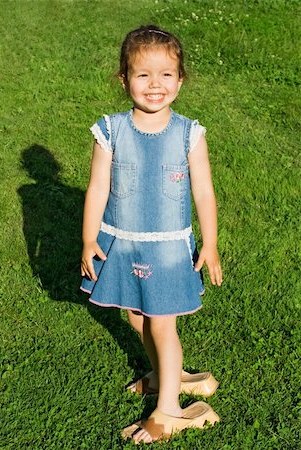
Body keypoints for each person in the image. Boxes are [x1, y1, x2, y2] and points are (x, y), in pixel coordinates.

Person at [80, 24, 223, 444]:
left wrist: (210, 243)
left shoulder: (189, 134)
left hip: (166, 251)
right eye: (143, 75)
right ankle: (170, 376)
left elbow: (204, 191)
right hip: (122, 243)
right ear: (124, 79)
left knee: (162, 326)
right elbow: (97, 188)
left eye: (166, 75)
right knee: (135, 314)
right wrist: (90, 239)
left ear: (180, 79)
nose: (154, 85)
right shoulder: (108, 130)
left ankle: (170, 412)